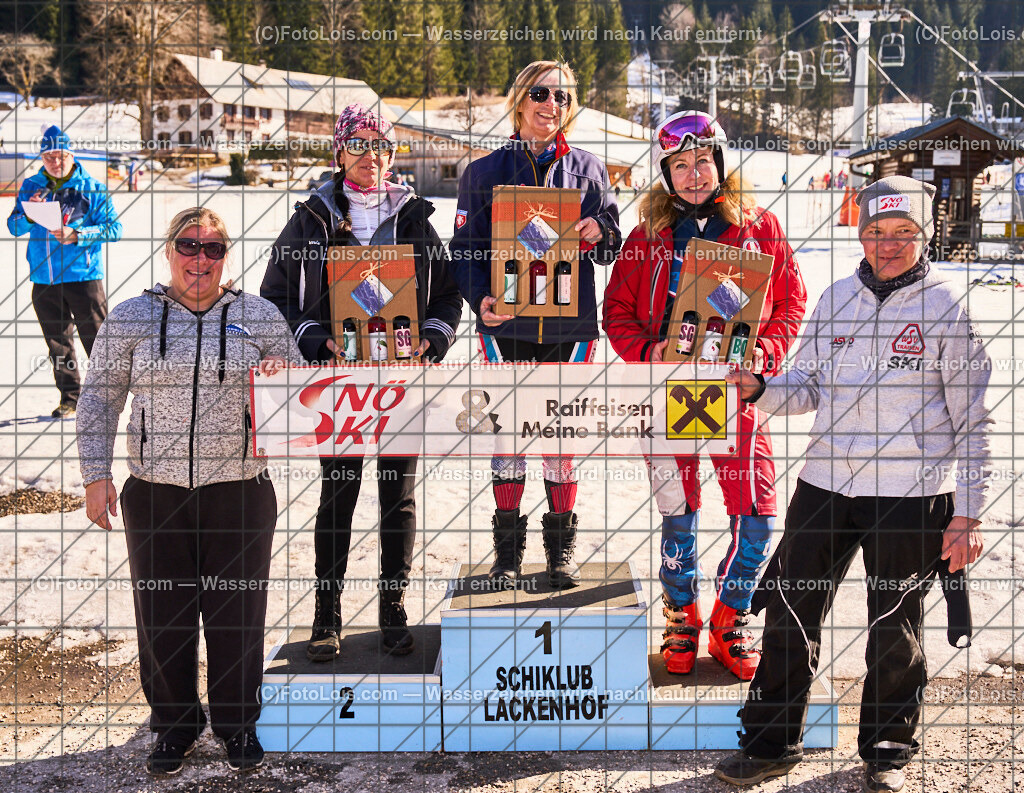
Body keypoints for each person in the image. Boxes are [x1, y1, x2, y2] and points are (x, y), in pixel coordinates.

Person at [715, 176, 994, 792]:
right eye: (875, 231)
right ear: (860, 231)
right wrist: (762, 390)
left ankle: (888, 747)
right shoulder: (837, 297)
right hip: (824, 484)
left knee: (894, 626)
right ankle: (769, 744)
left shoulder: (949, 307)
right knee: (789, 612)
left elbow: (977, 423)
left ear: (926, 233)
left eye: (903, 233)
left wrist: (968, 516)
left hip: (909, 494)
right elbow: (807, 386)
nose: (887, 245)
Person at [76, 207, 303, 775]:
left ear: (227, 256)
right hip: (155, 492)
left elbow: (304, 395)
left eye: (213, 248)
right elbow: (99, 397)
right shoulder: (130, 317)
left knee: (237, 615)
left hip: (240, 490)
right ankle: (173, 726)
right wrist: (95, 474)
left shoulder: (260, 315)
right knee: (163, 614)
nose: (200, 259)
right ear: (169, 250)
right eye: (188, 245)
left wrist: (285, 373)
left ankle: (237, 724)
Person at [603, 110, 807, 681]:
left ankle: (729, 616)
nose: (694, 174)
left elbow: (791, 301)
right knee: (680, 519)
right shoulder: (648, 234)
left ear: (721, 163)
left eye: (703, 162)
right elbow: (615, 311)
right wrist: (651, 355)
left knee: (760, 519)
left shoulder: (759, 226)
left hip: (736, 394)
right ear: (666, 174)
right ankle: (681, 615)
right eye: (680, 165)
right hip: (669, 393)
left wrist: (764, 354)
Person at [261, 103, 462, 661]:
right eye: (358, 145)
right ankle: (327, 612)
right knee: (338, 493)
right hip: (340, 380)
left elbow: (447, 296)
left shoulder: (416, 219)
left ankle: (392, 605)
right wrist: (313, 339)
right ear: (339, 153)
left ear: (392, 154)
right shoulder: (310, 218)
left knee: (398, 499)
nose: (369, 156)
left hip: (401, 380)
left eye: (379, 146)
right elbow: (274, 296)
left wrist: (433, 339)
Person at [449, 60, 621, 591]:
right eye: (542, 94)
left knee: (561, 440)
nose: (553, 105)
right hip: (507, 327)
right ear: (520, 100)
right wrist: (480, 300)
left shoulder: (591, 169)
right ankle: (507, 555)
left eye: (564, 98)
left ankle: (560, 553)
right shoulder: (483, 172)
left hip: (571, 329)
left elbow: (613, 244)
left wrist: (600, 229)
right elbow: (463, 252)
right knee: (509, 441)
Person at [7, 125, 122, 417]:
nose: (55, 162)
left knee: (96, 340)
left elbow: (115, 229)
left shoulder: (93, 188)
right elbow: (14, 227)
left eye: (60, 156)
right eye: (49, 157)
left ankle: (108, 397)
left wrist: (79, 234)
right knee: (58, 344)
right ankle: (70, 397)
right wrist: (29, 215)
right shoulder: (32, 185)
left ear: (71, 155)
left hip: (84, 278)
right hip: (44, 278)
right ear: (42, 158)